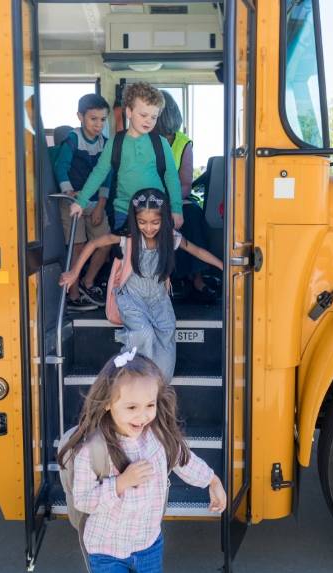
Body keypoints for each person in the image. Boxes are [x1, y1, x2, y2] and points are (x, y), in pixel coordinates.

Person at [58, 349, 226, 573]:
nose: (142, 415)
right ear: (108, 404)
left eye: (149, 405)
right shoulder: (94, 449)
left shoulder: (159, 436)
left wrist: (212, 481)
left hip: (147, 545)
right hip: (106, 552)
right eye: (132, 407)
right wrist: (119, 483)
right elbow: (83, 498)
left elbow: (183, 459)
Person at [60, 187, 223, 382]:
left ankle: (158, 387)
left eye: (155, 222)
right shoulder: (127, 238)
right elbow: (93, 244)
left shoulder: (170, 238)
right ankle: (133, 377)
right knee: (142, 333)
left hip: (158, 299)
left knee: (165, 336)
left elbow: (197, 251)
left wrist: (224, 266)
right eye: (142, 222)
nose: (148, 228)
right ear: (134, 220)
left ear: (164, 220)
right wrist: (74, 272)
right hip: (131, 297)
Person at [70, 82, 184, 232]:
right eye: (143, 115)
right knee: (128, 254)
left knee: (155, 255)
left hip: (156, 211)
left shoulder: (161, 143)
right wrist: (81, 201)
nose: (149, 121)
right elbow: (99, 173)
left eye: (154, 117)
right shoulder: (115, 142)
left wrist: (176, 209)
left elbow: (172, 177)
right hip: (124, 212)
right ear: (129, 112)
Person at [156, 90, 218, 303]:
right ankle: (168, 280)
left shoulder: (184, 143)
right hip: (148, 196)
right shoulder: (142, 138)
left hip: (176, 196)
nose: (168, 137)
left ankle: (197, 278)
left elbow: (185, 183)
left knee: (192, 214)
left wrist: (171, 202)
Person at [54, 94, 112, 311]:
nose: (98, 124)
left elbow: (107, 176)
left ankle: (88, 282)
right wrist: (69, 192)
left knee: (105, 243)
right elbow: (61, 167)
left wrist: (101, 205)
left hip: (96, 202)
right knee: (76, 249)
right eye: (93, 119)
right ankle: (74, 294)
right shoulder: (72, 139)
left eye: (103, 119)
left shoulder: (105, 144)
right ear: (80, 117)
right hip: (73, 201)